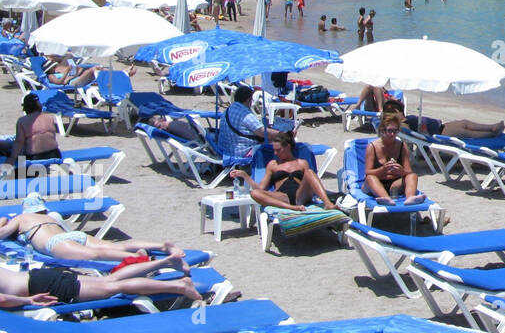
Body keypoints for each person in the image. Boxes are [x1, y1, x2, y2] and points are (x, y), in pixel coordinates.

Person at [0, 210, 191, 268]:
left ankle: (147, 260)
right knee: (115, 245)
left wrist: (3, 221)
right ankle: (162, 245)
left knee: (96, 255)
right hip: (73, 235)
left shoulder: (21, 218)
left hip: (55, 243)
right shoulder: (49, 217)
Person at [0, 257, 201, 308]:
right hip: (37, 276)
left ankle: (179, 286)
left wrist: (28, 302)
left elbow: (1, 299)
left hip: (40, 287)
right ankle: (165, 262)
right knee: (109, 280)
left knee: (113, 287)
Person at [232, 129, 341, 211]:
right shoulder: (273, 165)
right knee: (255, 193)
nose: (275, 153)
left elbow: (311, 183)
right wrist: (245, 176)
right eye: (274, 150)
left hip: (301, 195)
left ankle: (327, 203)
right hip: (282, 197)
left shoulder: (302, 163)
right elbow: (261, 188)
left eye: (278, 150)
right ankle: (291, 208)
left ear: (288, 147)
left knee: (310, 172)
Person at [364, 116, 425, 205]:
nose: (393, 134)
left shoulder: (402, 146)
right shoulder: (372, 147)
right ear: (382, 131)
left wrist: (401, 171)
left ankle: (410, 197)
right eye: (390, 131)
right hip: (376, 182)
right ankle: (385, 198)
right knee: (370, 178)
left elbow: (408, 171)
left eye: (395, 131)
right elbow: (368, 172)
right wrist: (383, 169)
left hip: (395, 183)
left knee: (413, 176)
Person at [215, 84, 270, 168]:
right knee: (275, 143)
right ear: (248, 100)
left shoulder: (228, 109)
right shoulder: (244, 113)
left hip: (225, 151)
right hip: (240, 154)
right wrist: (282, 134)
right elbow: (262, 132)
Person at [10, 93, 62, 169]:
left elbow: (19, 143)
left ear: (25, 108)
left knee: (17, 167)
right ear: (39, 106)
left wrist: (11, 159)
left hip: (35, 158)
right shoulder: (50, 117)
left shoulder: (22, 121)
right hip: (55, 154)